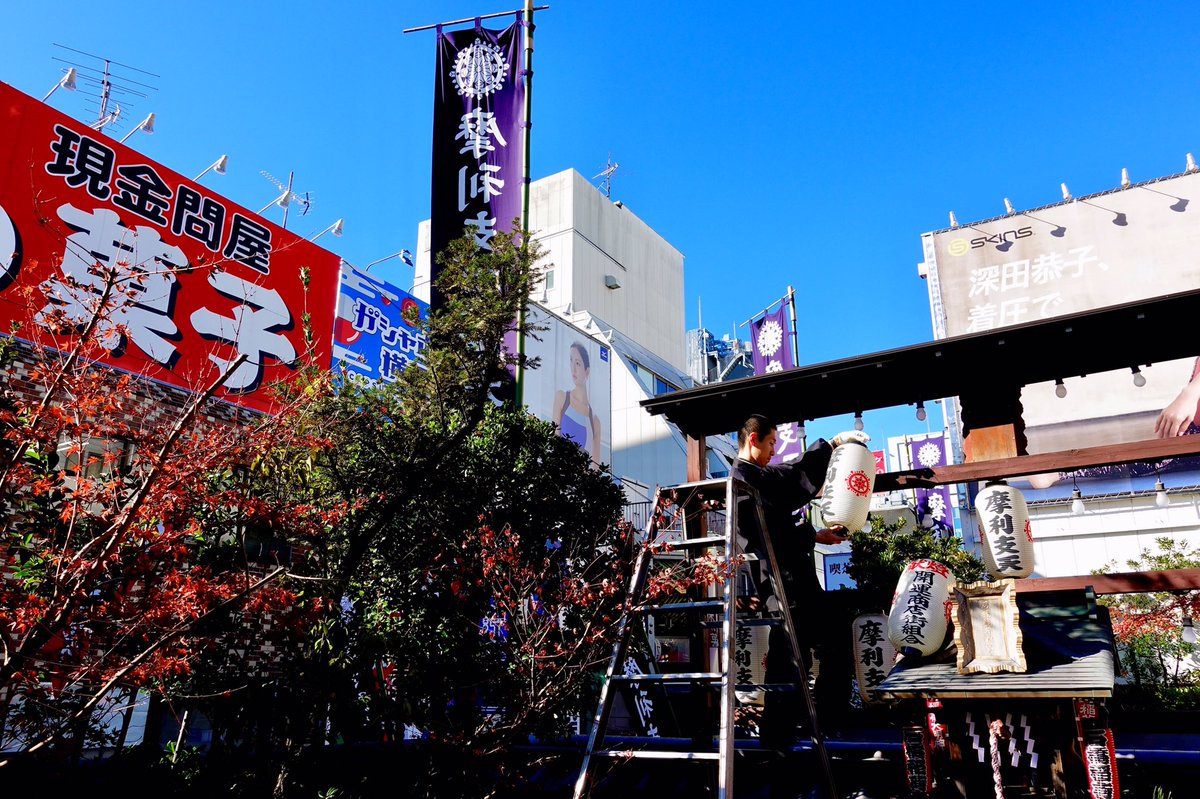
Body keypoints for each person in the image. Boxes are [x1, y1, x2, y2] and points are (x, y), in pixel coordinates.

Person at [730, 414, 869, 755]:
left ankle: (802, 724)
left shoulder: (757, 477)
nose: (774, 450)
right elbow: (786, 489)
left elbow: (789, 481)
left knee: (804, 649)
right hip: (781, 581)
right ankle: (800, 727)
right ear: (754, 440)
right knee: (797, 653)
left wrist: (814, 533)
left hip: (793, 579)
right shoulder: (744, 478)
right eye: (771, 443)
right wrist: (832, 446)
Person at [554, 342, 602, 465]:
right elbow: (554, 440)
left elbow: (595, 468)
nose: (573, 369)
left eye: (578, 363)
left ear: (587, 371)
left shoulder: (594, 421)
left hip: (580, 480)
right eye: (571, 361)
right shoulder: (562, 398)